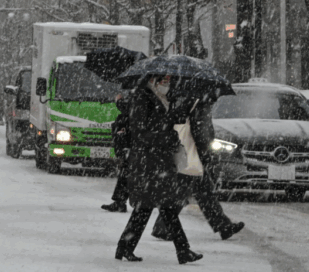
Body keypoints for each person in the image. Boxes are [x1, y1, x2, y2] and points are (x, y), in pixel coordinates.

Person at [114, 75, 202, 264]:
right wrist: (166, 138)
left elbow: (166, 122)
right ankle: (182, 250)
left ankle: (125, 247)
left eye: (169, 80)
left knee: (149, 208)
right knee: (162, 206)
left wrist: (185, 108)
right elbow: (139, 132)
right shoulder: (143, 97)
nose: (167, 84)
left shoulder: (162, 98)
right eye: (164, 80)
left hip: (159, 161)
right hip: (148, 161)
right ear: (154, 80)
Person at [152, 94, 244, 240]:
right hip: (193, 156)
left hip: (187, 153)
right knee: (184, 193)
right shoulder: (201, 104)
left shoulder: (188, 100)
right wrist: (207, 155)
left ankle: (223, 226)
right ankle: (162, 227)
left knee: (203, 192)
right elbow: (201, 134)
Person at [102, 89, 132, 213]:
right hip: (132, 143)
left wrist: (119, 101)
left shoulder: (145, 93)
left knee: (127, 174)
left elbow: (131, 110)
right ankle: (120, 202)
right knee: (125, 173)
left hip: (135, 143)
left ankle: (121, 202)